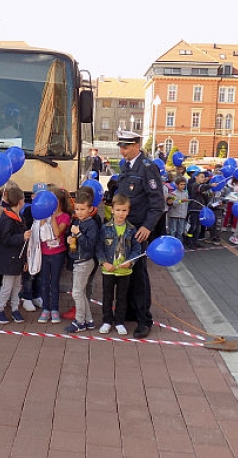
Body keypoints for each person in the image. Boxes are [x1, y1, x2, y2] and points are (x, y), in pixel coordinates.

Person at [114, 129, 165, 339]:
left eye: (126, 147)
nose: (122, 151)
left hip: (139, 231)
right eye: (121, 147)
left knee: (138, 275)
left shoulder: (147, 168)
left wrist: (147, 227)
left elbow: (157, 202)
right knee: (126, 271)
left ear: (136, 146)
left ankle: (144, 319)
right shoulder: (126, 166)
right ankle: (130, 311)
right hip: (124, 229)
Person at [96, 194, 142, 335]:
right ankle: (107, 321)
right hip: (108, 270)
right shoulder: (105, 228)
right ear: (112, 210)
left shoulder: (131, 229)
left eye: (124, 210)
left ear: (128, 211)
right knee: (107, 297)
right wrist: (104, 262)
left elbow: (137, 249)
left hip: (124, 272)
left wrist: (131, 261)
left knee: (122, 298)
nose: (120, 213)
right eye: (118, 210)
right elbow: (99, 247)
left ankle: (119, 322)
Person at [0, 185, 31, 324]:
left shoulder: (19, 217)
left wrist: (24, 260)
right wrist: (22, 237)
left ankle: (15, 309)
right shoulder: (7, 218)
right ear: (20, 201)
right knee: (7, 287)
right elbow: (6, 239)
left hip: (17, 259)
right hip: (8, 259)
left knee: (16, 286)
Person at [64, 190, 99, 333]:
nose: (79, 212)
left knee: (77, 292)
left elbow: (90, 245)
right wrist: (69, 238)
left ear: (90, 209)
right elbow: (73, 238)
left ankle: (80, 322)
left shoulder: (92, 225)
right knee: (81, 292)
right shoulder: (76, 221)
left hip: (85, 261)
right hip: (77, 260)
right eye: (77, 209)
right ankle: (89, 320)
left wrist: (78, 234)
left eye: (82, 209)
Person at [36, 186, 71, 324]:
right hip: (45, 253)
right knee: (44, 282)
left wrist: (52, 216)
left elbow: (57, 233)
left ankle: (55, 309)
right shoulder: (45, 215)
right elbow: (40, 230)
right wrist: (44, 217)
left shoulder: (65, 217)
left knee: (54, 283)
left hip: (58, 254)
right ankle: (46, 308)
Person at [166, 176, 188, 242]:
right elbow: (171, 203)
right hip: (174, 215)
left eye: (184, 184)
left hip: (182, 215)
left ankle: (179, 244)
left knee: (180, 231)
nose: (183, 186)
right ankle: (172, 243)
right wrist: (180, 201)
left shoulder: (185, 193)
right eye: (181, 184)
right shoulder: (173, 194)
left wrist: (185, 213)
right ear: (177, 185)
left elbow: (186, 205)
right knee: (173, 230)